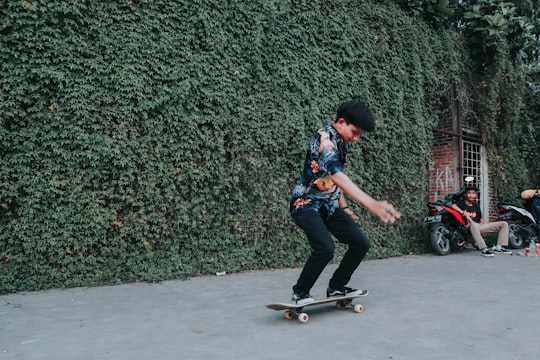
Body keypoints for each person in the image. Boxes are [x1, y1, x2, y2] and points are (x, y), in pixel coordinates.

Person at [289, 100, 401, 305]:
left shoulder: (341, 143)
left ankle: (337, 287)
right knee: (325, 248)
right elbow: (336, 175)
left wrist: (344, 207)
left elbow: (333, 180)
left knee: (360, 243)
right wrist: (372, 204)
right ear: (341, 122)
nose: (356, 138)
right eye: (355, 132)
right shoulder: (325, 140)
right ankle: (300, 292)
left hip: (329, 205)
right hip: (305, 203)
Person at [452, 187, 512, 257]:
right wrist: (463, 213)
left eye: (473, 193)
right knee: (473, 224)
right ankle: (484, 249)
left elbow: (480, 219)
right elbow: (453, 206)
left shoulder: (476, 206)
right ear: (465, 195)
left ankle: (499, 248)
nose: (471, 195)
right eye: (469, 193)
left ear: (476, 195)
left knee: (504, 224)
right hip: (466, 227)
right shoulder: (461, 204)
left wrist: (481, 224)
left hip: (477, 226)